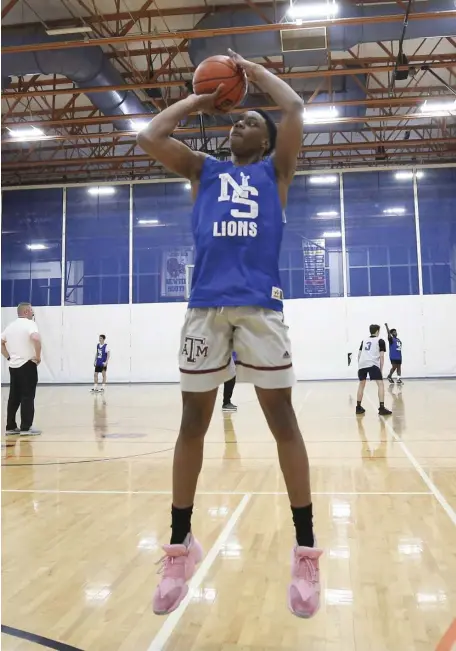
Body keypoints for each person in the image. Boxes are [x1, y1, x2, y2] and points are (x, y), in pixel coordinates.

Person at [138, 49, 322, 619]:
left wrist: (248, 71)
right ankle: (179, 546)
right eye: (234, 120)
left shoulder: (276, 172)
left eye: (246, 120)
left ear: (264, 142)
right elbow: (150, 135)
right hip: (205, 310)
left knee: (282, 423)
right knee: (192, 424)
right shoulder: (204, 171)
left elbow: (291, 107)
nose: (236, 124)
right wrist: (204, 94)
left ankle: (306, 548)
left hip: (261, 310)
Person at [1, 302, 42, 435]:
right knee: (27, 396)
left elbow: (1, 342)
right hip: (27, 365)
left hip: (13, 366)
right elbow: (35, 338)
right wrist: (38, 356)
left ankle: (10, 426)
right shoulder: (30, 324)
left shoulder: (10, 326)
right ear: (26, 312)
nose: (32, 312)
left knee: (14, 397)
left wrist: (8, 357)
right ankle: (26, 427)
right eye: (31, 310)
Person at [356, 324, 392, 416]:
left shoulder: (364, 340)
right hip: (372, 364)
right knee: (380, 384)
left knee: (361, 384)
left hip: (362, 364)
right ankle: (382, 408)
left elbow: (359, 355)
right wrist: (381, 369)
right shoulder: (380, 341)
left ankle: (358, 407)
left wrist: (360, 366)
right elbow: (381, 356)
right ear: (377, 331)